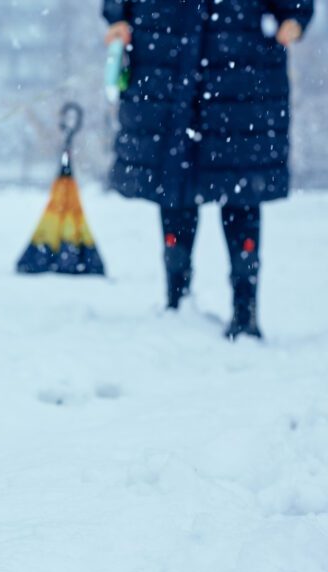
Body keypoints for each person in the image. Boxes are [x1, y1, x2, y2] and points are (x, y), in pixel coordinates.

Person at [102, 0, 314, 339]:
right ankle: (177, 302)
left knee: (241, 192)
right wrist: (117, 18)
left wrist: (295, 19)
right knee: (175, 190)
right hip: (169, 70)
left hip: (241, 76)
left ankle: (245, 312)